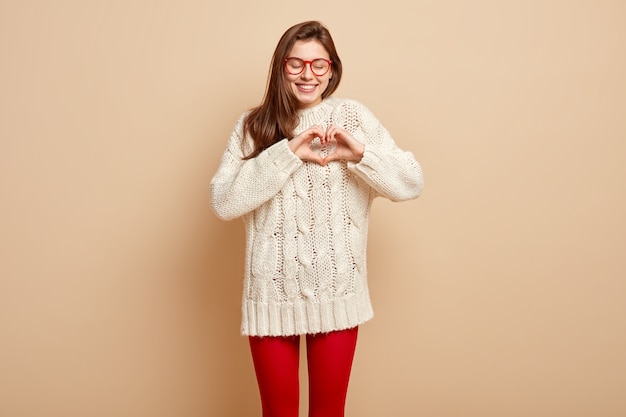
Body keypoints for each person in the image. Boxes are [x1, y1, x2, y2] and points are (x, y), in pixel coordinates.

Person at [210, 20, 424, 417]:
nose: (307, 74)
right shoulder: (253, 126)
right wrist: (286, 154)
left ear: (332, 69)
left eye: (318, 65)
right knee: (278, 413)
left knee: (329, 412)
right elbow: (224, 201)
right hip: (271, 298)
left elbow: (410, 182)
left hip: (337, 294)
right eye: (296, 64)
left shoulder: (354, 118)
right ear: (280, 67)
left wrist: (361, 156)